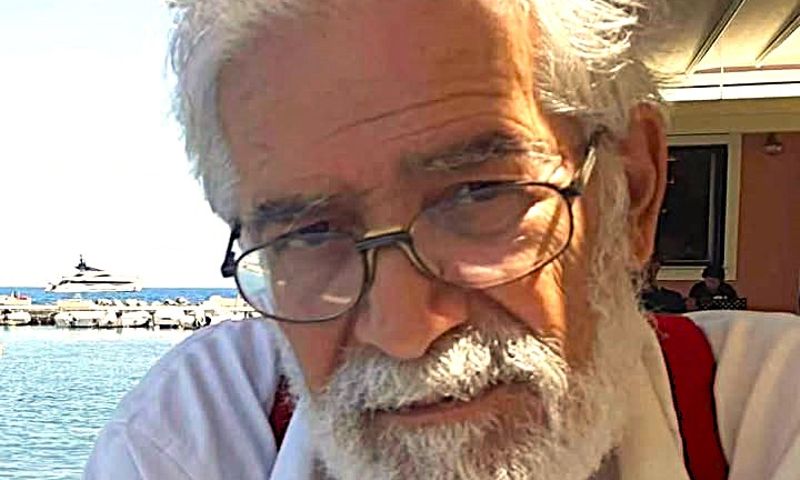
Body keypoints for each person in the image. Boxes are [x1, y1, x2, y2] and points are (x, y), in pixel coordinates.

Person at [85, 1, 800, 479]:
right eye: (310, 233)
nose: (403, 331)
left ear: (633, 194)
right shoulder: (197, 437)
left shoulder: (772, 416)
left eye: (479, 195)